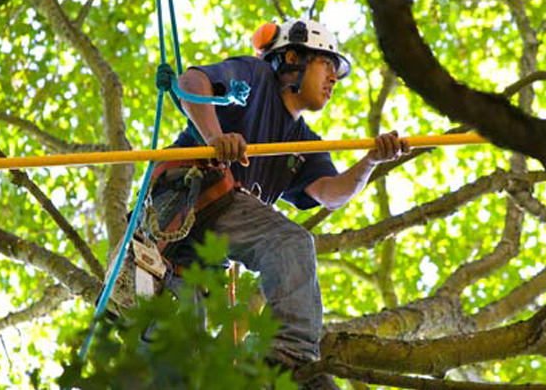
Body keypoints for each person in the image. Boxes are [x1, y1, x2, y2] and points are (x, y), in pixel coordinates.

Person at [165, 19, 409, 389]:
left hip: (193, 259)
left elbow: (331, 193)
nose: (333, 79)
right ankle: (290, 358)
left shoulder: (300, 143)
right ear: (292, 58)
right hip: (188, 197)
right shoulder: (256, 77)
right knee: (290, 243)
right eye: (327, 64)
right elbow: (190, 83)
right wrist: (215, 138)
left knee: (184, 370)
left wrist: (370, 162)